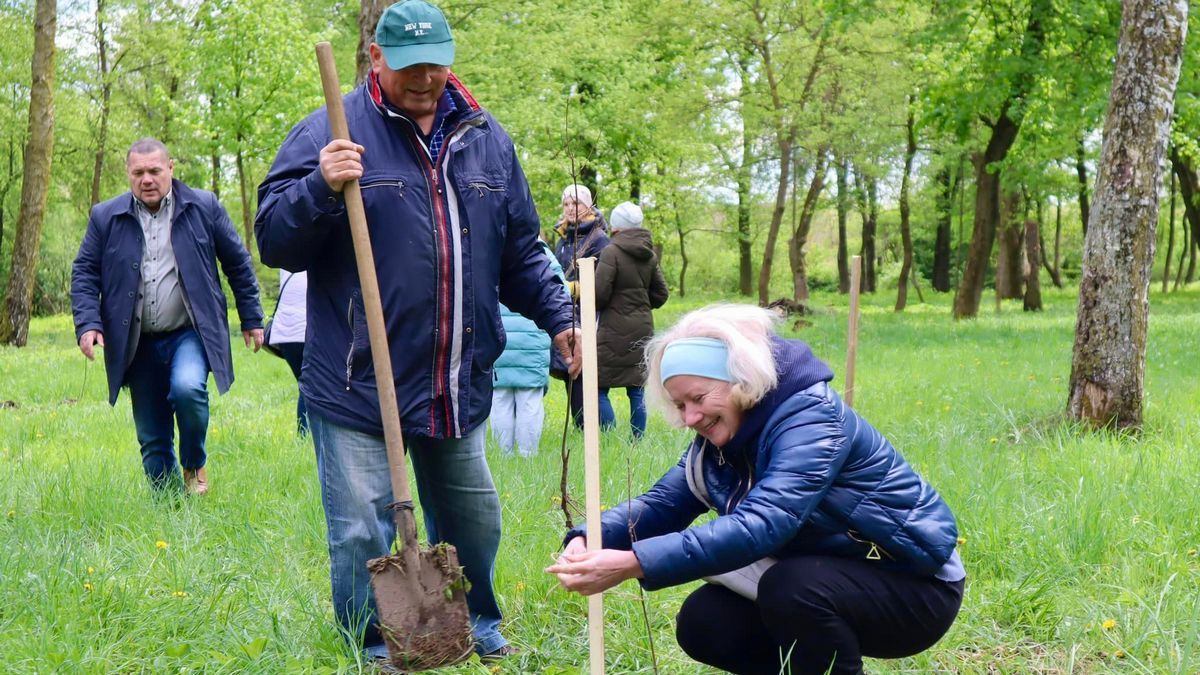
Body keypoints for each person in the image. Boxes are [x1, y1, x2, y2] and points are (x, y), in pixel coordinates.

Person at [254, 0, 579, 660]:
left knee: (473, 516)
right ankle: (376, 644)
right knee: (358, 529)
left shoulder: (486, 137)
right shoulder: (330, 130)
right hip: (356, 375)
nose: (425, 78)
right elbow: (274, 240)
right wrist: (320, 185)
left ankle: (477, 620)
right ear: (376, 58)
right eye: (409, 67)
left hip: (454, 374)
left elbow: (519, 250)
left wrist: (561, 319)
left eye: (436, 64)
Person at [546, 304, 964, 675]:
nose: (690, 417)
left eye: (698, 397)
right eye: (679, 406)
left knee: (791, 587)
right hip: (830, 574)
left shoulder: (811, 418)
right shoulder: (721, 443)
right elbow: (663, 505)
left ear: (741, 379)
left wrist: (634, 562)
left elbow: (763, 524)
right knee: (704, 621)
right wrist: (589, 536)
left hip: (913, 582)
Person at [71, 138, 264, 496]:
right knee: (153, 437)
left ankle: (194, 464)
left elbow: (237, 262)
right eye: (138, 172)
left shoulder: (203, 206)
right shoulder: (105, 217)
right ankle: (169, 510)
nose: (147, 179)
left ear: (171, 169)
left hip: (188, 333)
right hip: (135, 340)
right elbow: (84, 271)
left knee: (188, 389)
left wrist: (252, 317)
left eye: (155, 171)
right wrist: (88, 323)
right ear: (128, 174)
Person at [594, 202, 668, 439]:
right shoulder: (649, 254)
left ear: (615, 225)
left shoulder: (611, 252)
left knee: (598, 386)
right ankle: (637, 439)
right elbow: (661, 294)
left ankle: (608, 437)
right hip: (642, 327)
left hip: (612, 329)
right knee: (637, 388)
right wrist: (641, 306)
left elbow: (598, 294)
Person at [490, 240, 567, 457]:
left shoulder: (492, 248)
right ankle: (527, 455)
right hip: (533, 336)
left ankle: (503, 455)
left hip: (498, 335)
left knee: (500, 397)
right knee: (529, 399)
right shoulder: (540, 253)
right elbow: (560, 291)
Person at [551, 183, 609, 428]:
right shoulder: (563, 237)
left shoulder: (599, 239)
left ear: (588, 206)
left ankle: (594, 428)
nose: (570, 208)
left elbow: (604, 283)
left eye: (576, 203)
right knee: (568, 370)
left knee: (583, 371)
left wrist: (573, 288)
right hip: (565, 311)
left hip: (587, 313)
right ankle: (579, 426)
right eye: (566, 203)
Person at [266, 269, 309, 435]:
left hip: (285, 332)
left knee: (304, 384)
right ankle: (305, 435)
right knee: (310, 384)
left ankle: (304, 435)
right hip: (305, 329)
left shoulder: (288, 256)